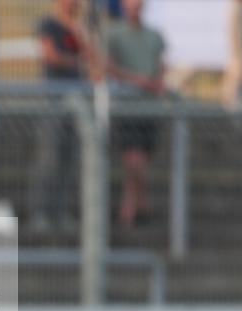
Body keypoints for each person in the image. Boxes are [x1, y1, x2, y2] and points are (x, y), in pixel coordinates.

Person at [27, 0, 93, 234]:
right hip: (53, 103)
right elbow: (51, 56)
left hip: (76, 106)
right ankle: (40, 213)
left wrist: (79, 31)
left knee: (69, 161)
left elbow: (91, 56)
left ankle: (62, 213)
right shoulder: (48, 24)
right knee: (50, 159)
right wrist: (77, 61)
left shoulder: (79, 27)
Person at [107, 0, 165, 229]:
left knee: (141, 160)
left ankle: (135, 204)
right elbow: (108, 67)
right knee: (134, 160)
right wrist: (138, 81)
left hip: (149, 108)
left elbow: (160, 67)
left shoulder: (154, 36)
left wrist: (156, 83)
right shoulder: (114, 34)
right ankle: (132, 207)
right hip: (127, 108)